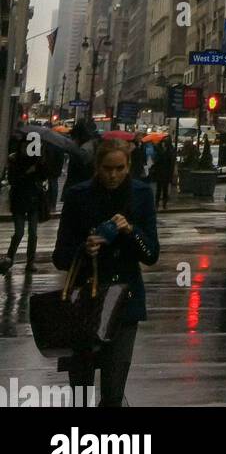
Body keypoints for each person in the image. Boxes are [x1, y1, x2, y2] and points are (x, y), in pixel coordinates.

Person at [52, 138, 159, 407]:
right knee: (81, 390)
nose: (113, 175)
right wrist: (84, 248)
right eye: (107, 168)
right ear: (97, 167)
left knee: (113, 391)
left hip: (125, 302)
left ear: (128, 166)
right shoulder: (78, 196)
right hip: (85, 303)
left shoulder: (141, 194)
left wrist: (131, 231)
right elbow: (60, 256)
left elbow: (151, 255)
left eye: (119, 168)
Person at [0, 135, 49, 274]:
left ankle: (30, 261)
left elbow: (45, 176)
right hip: (19, 200)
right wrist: (27, 172)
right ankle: (9, 258)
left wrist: (40, 165)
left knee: (33, 233)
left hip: (33, 200)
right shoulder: (14, 159)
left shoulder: (38, 161)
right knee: (19, 232)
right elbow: (12, 179)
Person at [64, 121, 97, 191]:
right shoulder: (89, 146)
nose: (73, 140)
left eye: (74, 137)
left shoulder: (83, 150)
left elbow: (78, 170)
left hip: (79, 186)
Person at [153, 136, 175, 210]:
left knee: (165, 189)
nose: (164, 143)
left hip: (166, 172)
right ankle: (157, 204)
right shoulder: (158, 148)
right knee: (159, 189)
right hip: (160, 171)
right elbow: (156, 159)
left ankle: (164, 204)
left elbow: (171, 162)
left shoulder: (170, 149)